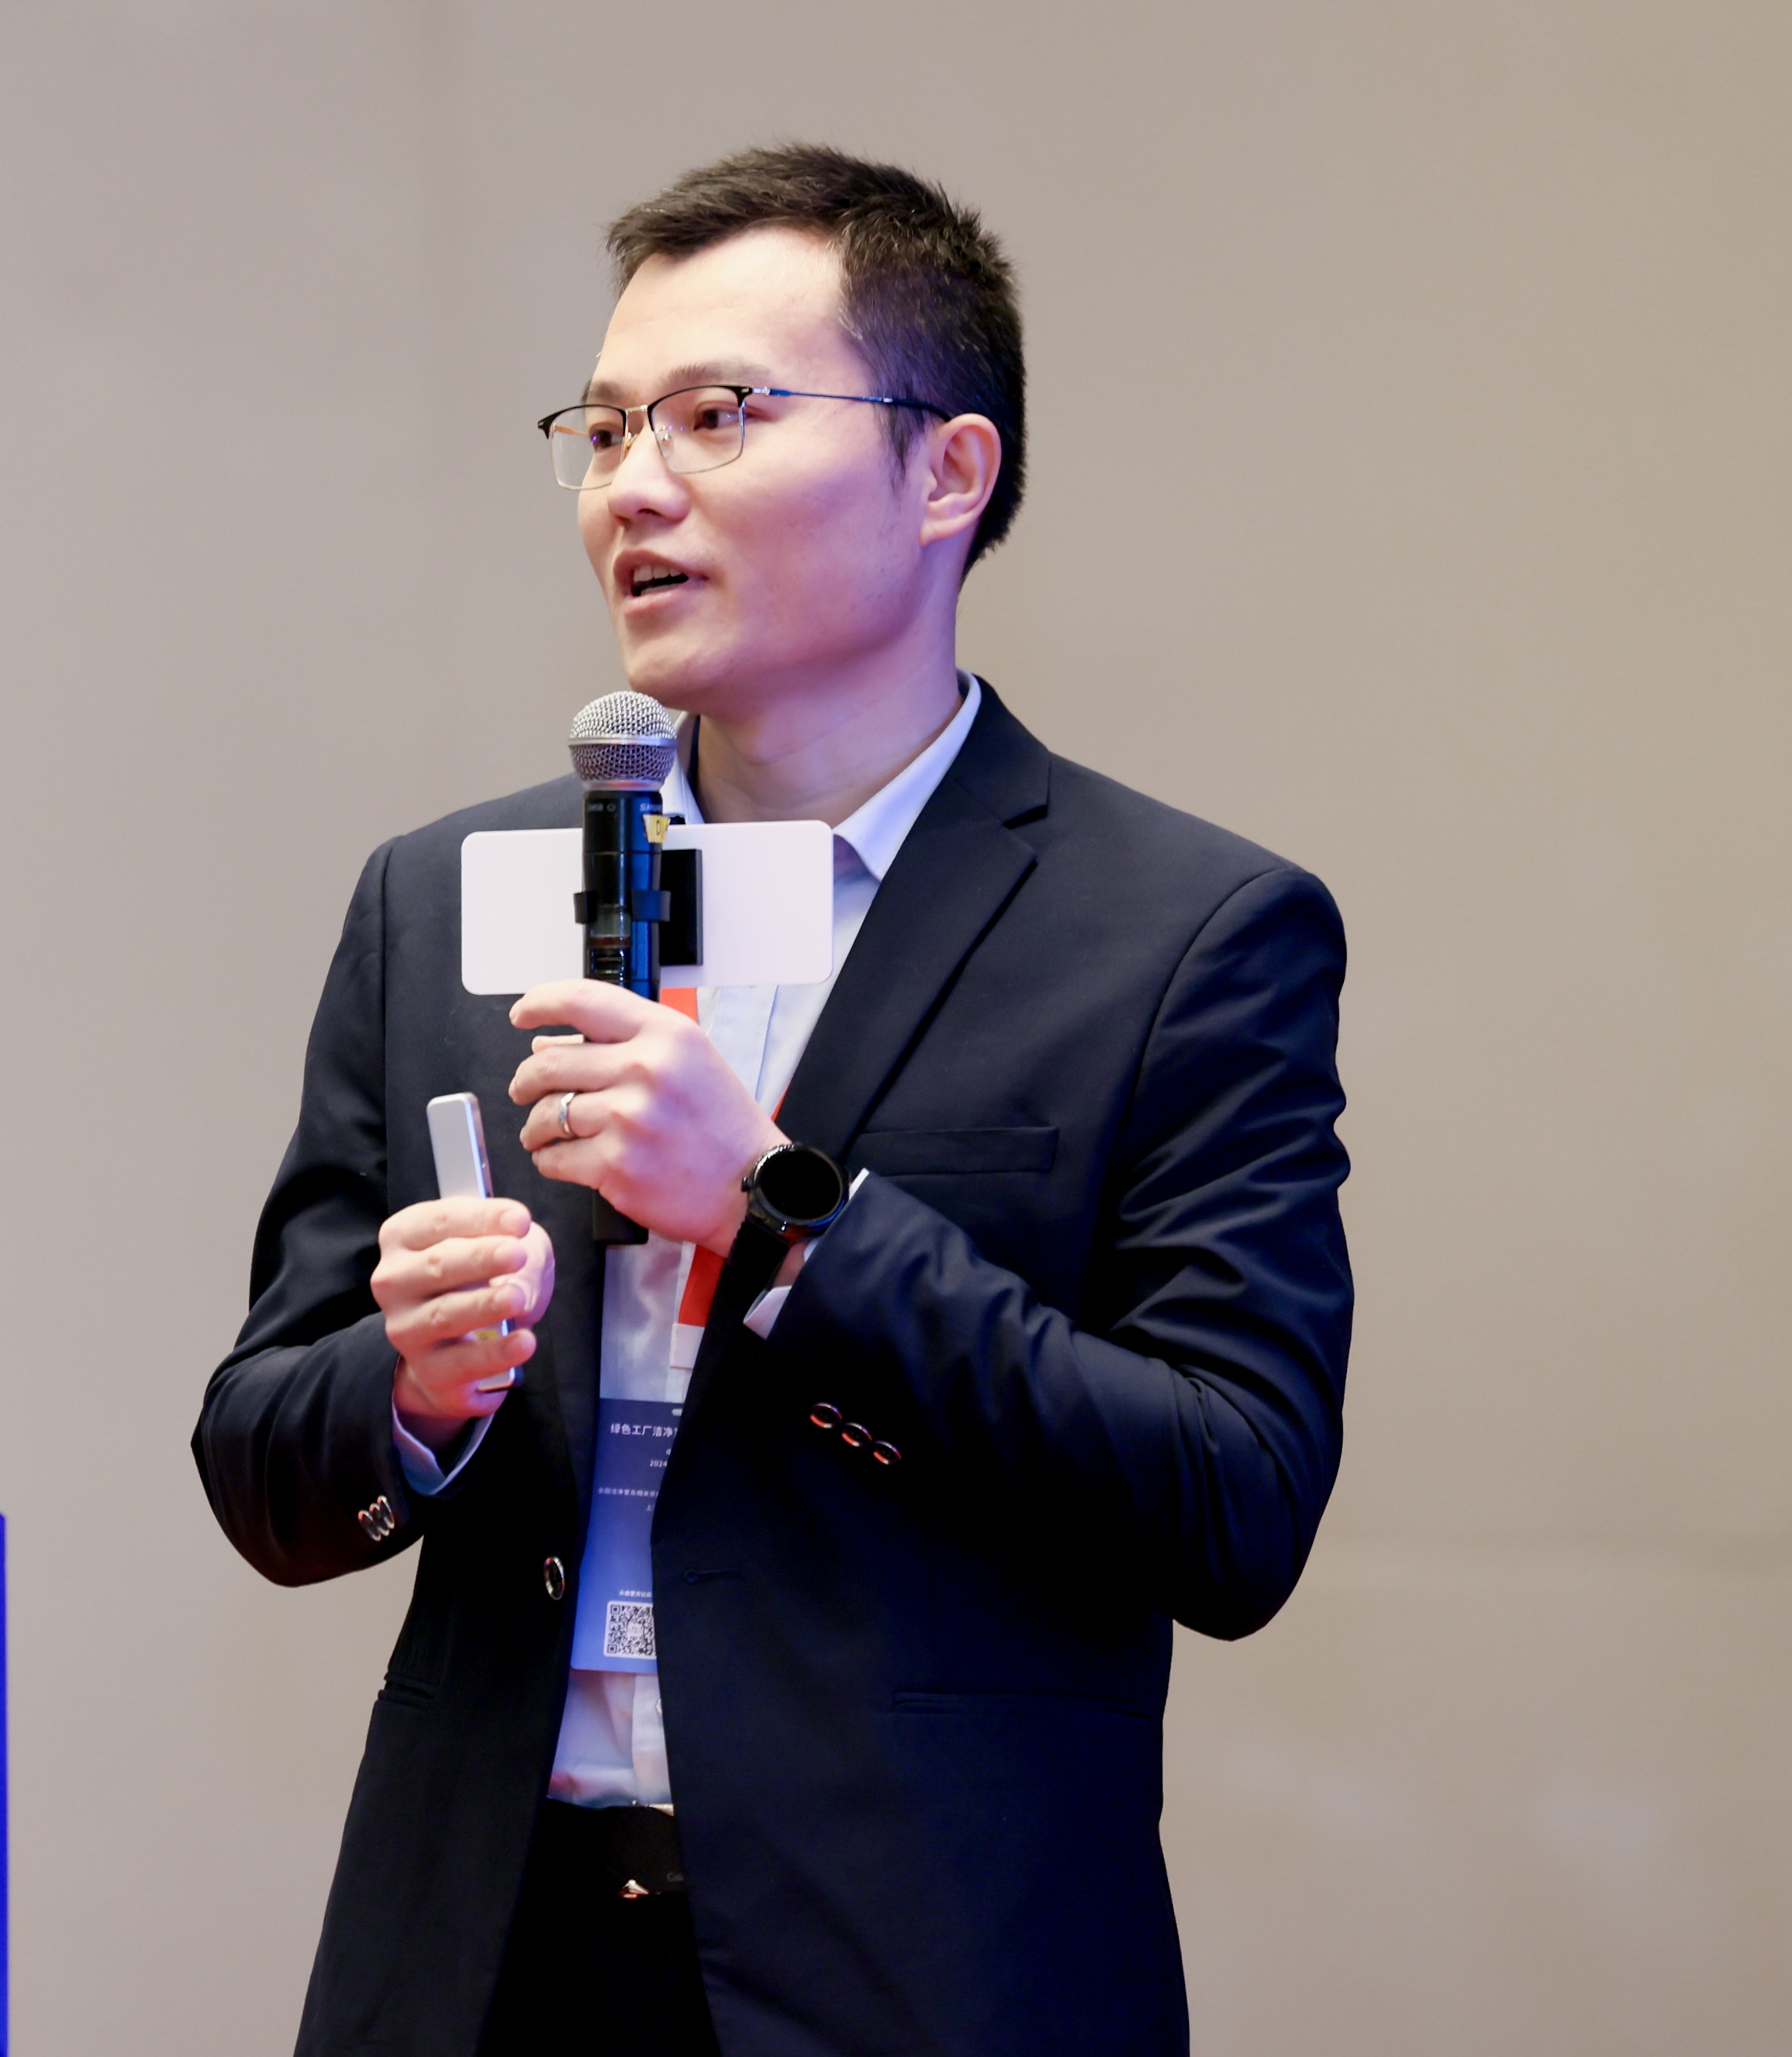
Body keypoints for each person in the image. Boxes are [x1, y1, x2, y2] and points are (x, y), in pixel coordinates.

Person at [195, 147, 1351, 2057]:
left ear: (946, 472)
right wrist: (409, 1389)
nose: (634, 484)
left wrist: (782, 1215)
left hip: (917, 1979)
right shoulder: (453, 896)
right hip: (482, 1969)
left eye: (719, 415)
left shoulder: (1179, 934)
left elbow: (1231, 1500)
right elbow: (262, 1457)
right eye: (606, 429)